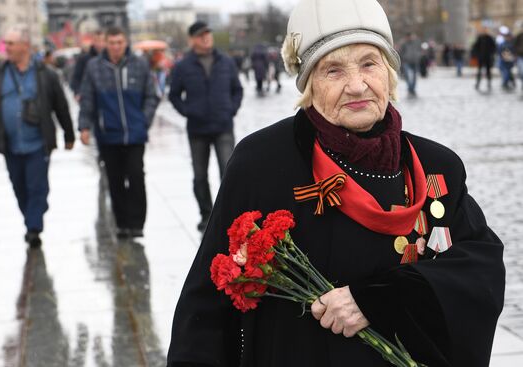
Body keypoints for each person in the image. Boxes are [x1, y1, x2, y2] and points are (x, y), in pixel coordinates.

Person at [167, 0, 505, 366]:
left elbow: (479, 271)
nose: (357, 86)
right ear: (309, 84)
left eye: (368, 64)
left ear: (388, 73)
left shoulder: (439, 166)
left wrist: (381, 300)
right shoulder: (261, 162)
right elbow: (208, 303)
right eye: (333, 70)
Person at [0, 24, 75, 248]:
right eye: (6, 43)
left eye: (11, 43)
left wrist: (69, 134)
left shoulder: (46, 74)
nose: (6, 47)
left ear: (25, 46)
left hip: (37, 143)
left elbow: (61, 106)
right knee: (19, 186)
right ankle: (34, 213)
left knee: (37, 186)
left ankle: (33, 226)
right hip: (10, 145)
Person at [78, 26, 159, 239]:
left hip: (135, 133)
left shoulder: (139, 64)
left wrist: (144, 120)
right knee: (114, 181)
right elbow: (87, 99)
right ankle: (122, 223)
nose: (115, 47)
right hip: (108, 135)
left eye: (119, 42)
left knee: (135, 176)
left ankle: (137, 222)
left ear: (125, 43)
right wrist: (84, 126)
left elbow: (152, 95)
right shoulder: (94, 67)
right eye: (112, 43)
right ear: (105, 43)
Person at [169, 21, 243, 232]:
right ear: (192, 40)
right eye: (201, 35)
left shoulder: (226, 62)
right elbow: (174, 95)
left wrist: (231, 109)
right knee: (200, 176)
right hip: (197, 129)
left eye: (208, 34)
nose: (206, 38)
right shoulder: (183, 66)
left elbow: (237, 90)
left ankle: (228, 214)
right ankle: (206, 215)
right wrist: (188, 111)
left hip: (223, 126)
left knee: (229, 172)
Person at [70, 30, 105, 101]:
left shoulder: (112, 58)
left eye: (102, 40)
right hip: (90, 98)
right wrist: (77, 93)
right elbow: (76, 79)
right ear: (93, 41)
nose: (100, 44)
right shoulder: (83, 59)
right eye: (97, 40)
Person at [472, 27, 496, 92]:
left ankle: (489, 83)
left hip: (488, 58)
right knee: (479, 71)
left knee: (488, 71)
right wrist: (477, 55)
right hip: (481, 58)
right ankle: (478, 83)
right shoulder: (480, 38)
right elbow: (475, 47)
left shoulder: (490, 38)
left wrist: (491, 54)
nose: (484, 31)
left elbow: (494, 47)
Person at [400, 32, 421, 97]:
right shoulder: (403, 44)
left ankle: (412, 89)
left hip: (415, 61)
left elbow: (419, 50)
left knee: (414, 77)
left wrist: (418, 56)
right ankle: (410, 88)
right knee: (407, 76)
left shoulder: (416, 43)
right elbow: (401, 52)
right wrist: (403, 59)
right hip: (406, 62)